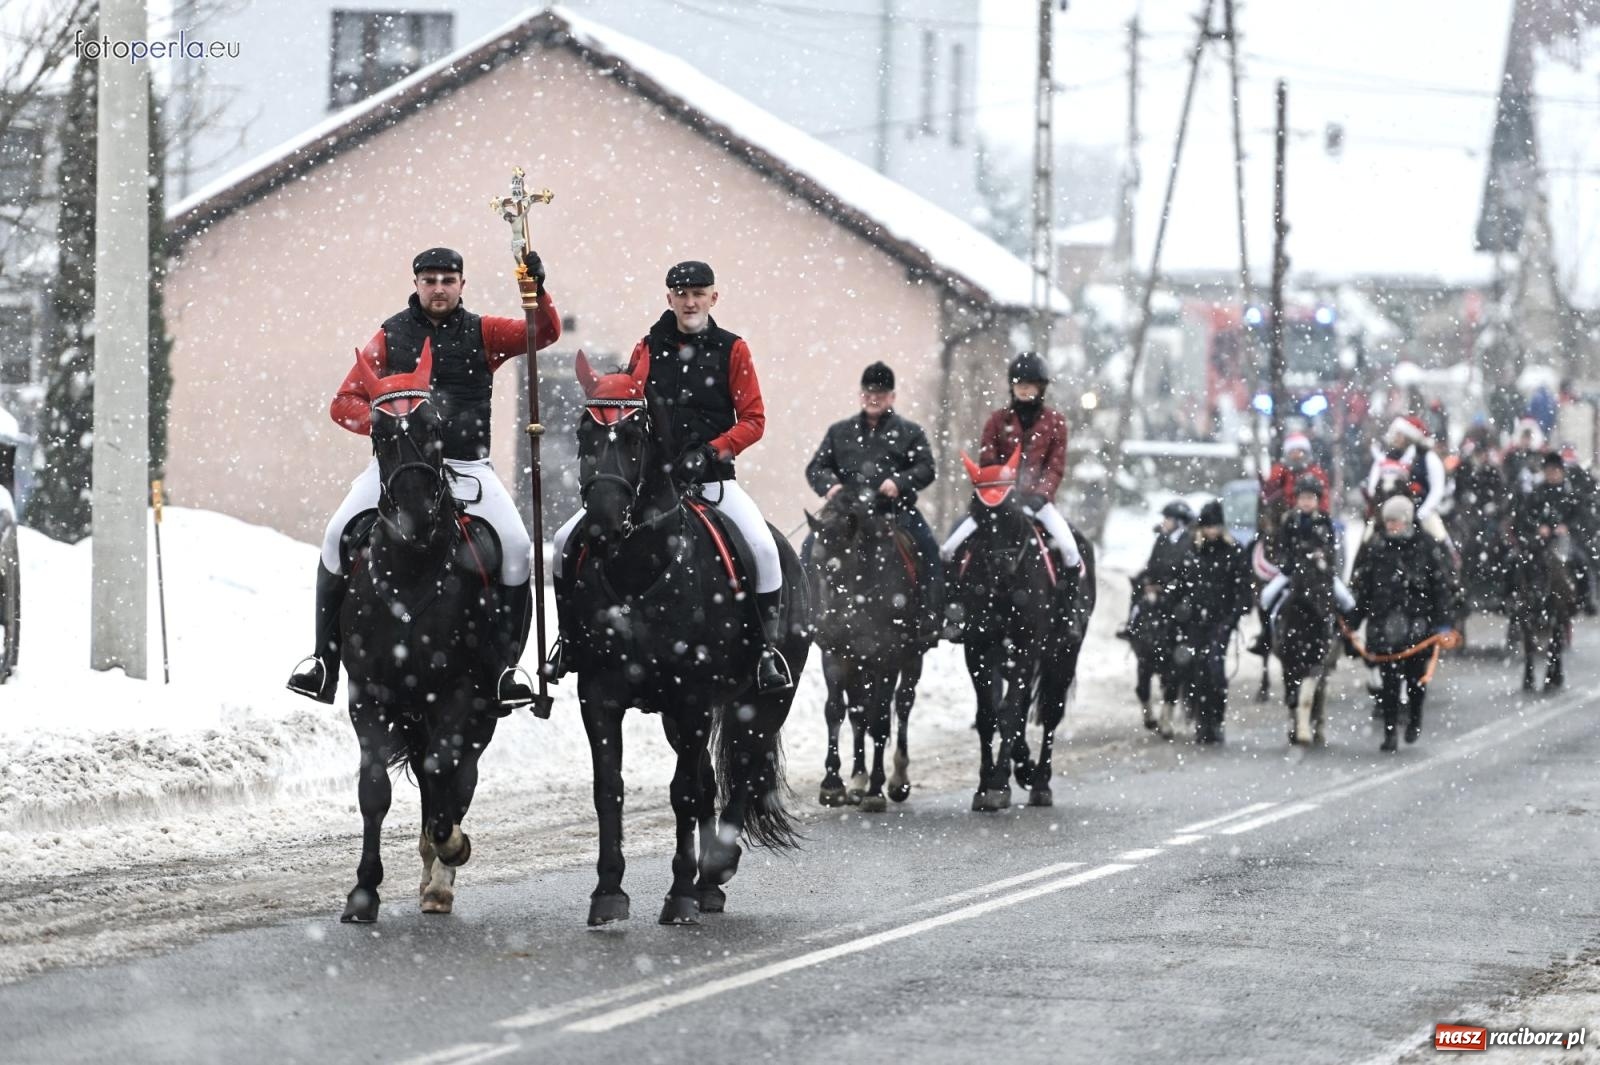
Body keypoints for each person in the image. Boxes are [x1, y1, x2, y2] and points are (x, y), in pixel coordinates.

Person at [286, 246, 562, 713]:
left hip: (467, 467)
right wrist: (392, 428)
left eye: (447, 280)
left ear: (461, 285)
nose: (439, 288)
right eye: (430, 280)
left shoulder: (485, 331)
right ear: (416, 284)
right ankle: (323, 661)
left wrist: (537, 290)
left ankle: (506, 666)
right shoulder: (389, 336)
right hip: (398, 468)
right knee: (335, 537)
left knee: (517, 548)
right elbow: (343, 403)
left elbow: (544, 334)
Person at [548, 260, 791, 692]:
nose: (690, 301)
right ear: (669, 299)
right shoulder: (646, 348)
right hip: (652, 485)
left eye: (698, 293)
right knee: (567, 540)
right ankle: (569, 641)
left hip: (713, 483)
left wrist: (712, 451)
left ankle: (765, 653)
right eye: (682, 294)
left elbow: (754, 420)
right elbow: (627, 406)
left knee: (764, 550)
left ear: (713, 297)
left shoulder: (733, 349)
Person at [804, 361, 941, 645]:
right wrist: (830, 486)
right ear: (860, 395)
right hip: (845, 516)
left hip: (894, 512)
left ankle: (929, 616)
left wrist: (899, 482)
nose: (873, 398)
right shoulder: (839, 432)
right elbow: (816, 468)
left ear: (892, 397)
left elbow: (926, 468)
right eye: (868, 393)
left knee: (929, 548)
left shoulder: (911, 432)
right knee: (809, 548)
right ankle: (807, 613)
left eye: (880, 393)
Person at [940, 351, 1081, 588]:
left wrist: (1040, 496)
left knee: (1070, 550)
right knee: (949, 547)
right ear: (1011, 386)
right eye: (1019, 384)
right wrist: (1005, 493)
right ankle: (951, 601)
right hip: (998, 503)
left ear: (1041, 388)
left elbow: (1054, 467)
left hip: (1038, 504)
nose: (1023, 389)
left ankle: (1069, 608)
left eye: (1030, 384)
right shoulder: (996, 421)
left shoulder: (1056, 423)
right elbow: (988, 461)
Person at [1347, 496, 1454, 752]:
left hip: (1418, 624)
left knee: (1416, 679)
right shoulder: (1377, 548)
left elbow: (1439, 587)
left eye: (1395, 521)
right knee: (1389, 683)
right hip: (1385, 624)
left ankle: (1415, 716)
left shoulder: (1426, 546)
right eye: (1388, 521)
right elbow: (1365, 590)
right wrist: (1353, 622)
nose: (1391, 526)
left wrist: (1443, 622)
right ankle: (1390, 731)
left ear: (1406, 520)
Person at [1172, 500, 1254, 744]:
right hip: (1195, 621)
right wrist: (1181, 608)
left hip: (1221, 620)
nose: (1211, 531)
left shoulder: (1233, 551)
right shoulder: (1191, 551)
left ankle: (1216, 718)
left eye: (1215, 526)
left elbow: (1243, 588)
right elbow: (1180, 583)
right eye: (1208, 527)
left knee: (1215, 669)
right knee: (1196, 670)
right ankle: (1202, 719)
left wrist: (1233, 616)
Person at [1250, 475, 1356, 654]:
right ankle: (1265, 637)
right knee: (1266, 597)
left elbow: (1330, 548)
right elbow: (1282, 548)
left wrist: (1322, 558)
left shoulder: (1324, 520)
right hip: (1293, 573)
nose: (1306, 502)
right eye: (1303, 498)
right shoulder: (1289, 520)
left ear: (1317, 500)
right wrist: (1288, 563)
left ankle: (1347, 639)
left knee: (1347, 601)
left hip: (1319, 573)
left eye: (1310, 498)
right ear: (1297, 499)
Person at [1122, 500, 1195, 725]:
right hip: (1157, 593)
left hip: (1178, 598)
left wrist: (1166, 589)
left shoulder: (1189, 542)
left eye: (1168, 519)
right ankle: (1130, 625)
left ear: (1179, 522)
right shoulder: (1162, 539)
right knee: (1137, 599)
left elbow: (1187, 575)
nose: (1164, 522)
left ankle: (1188, 642)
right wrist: (1146, 582)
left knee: (1185, 620)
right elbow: (1153, 565)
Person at [1364, 415, 1447, 544]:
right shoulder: (1387, 458)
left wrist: (1421, 512)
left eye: (1400, 434)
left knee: (1439, 536)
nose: (1396, 438)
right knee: (1367, 538)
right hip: (1387, 514)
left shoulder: (1427, 457)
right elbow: (1373, 486)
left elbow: (1437, 489)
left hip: (1422, 511)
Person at [1261, 432, 1330, 520]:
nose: (1296, 455)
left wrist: (1319, 516)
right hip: (1285, 518)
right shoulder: (1281, 471)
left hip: (1310, 517)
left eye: (1299, 451)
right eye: (1292, 451)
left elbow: (1324, 498)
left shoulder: (1316, 472)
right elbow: (1269, 490)